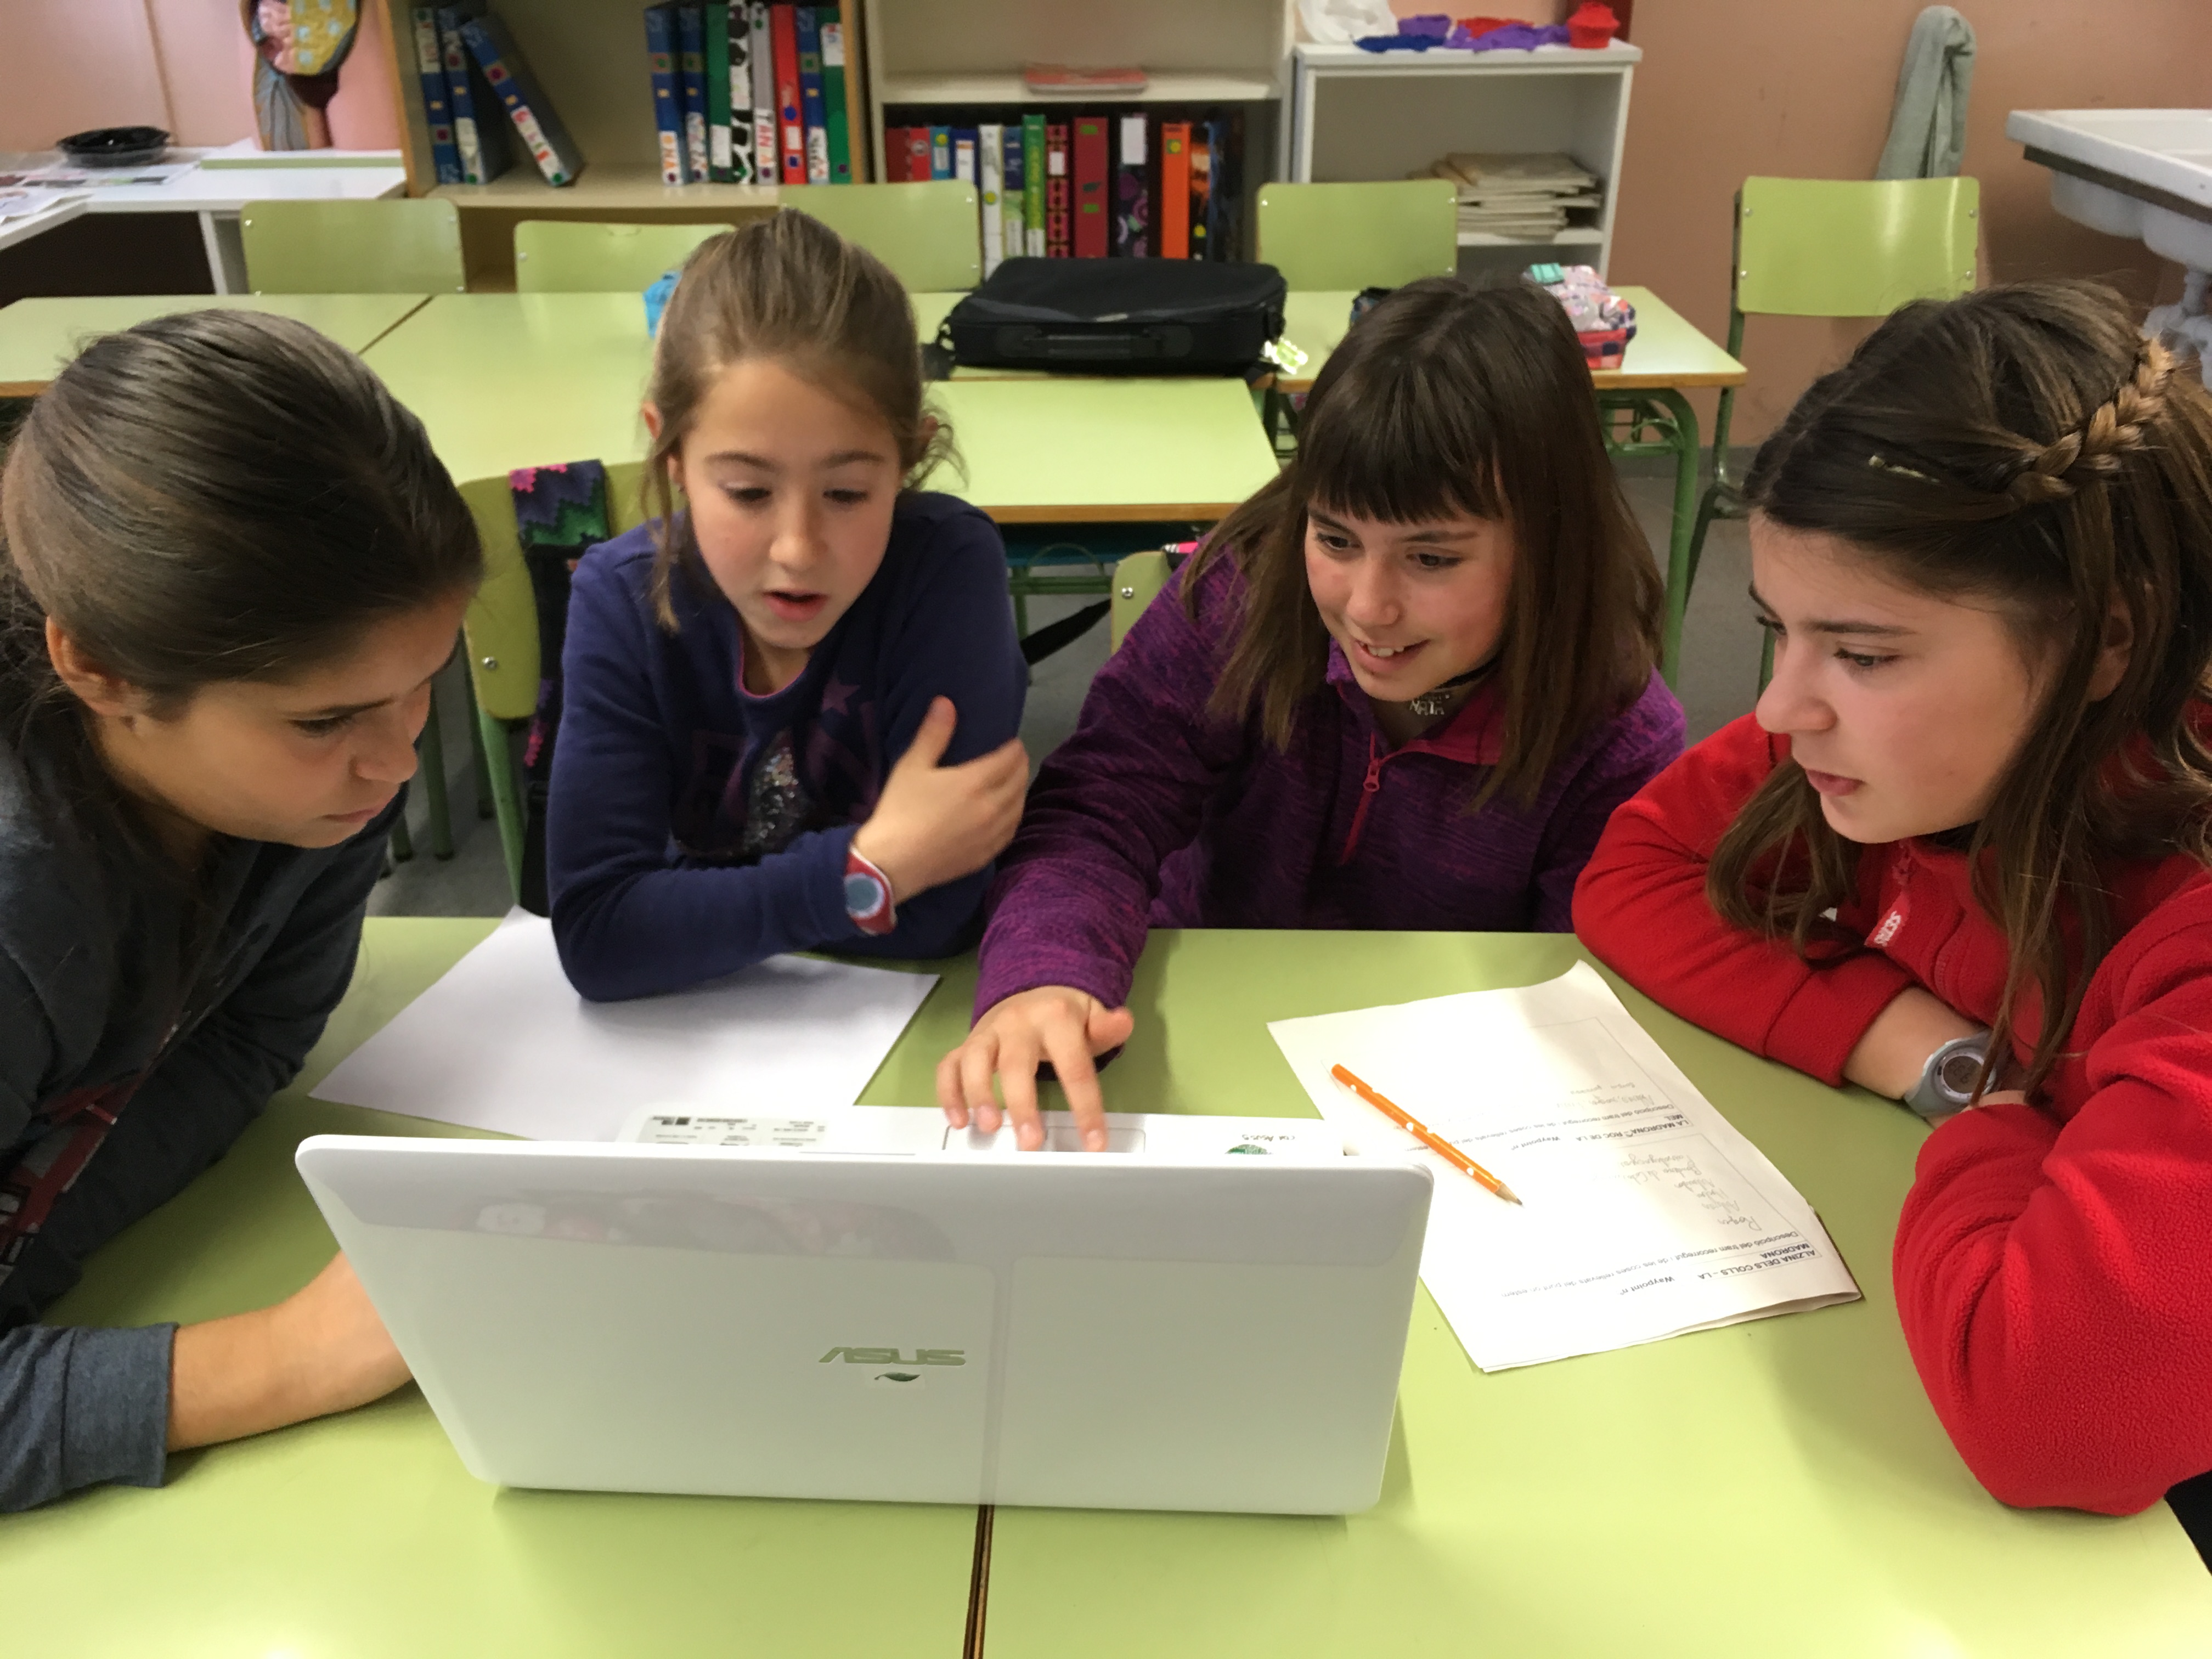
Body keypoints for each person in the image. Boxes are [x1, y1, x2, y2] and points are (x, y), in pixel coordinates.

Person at [1572, 281, 2212, 1551]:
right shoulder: (1911, 758)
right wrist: (1930, 1052)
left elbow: (2057, 1421)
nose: (1779, 708)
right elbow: (1635, 870)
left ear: (2108, 639)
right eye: (1778, 632)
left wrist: (1989, 1123)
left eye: (1863, 655)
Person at [942, 277, 1685, 1149]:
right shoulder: (1242, 597)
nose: (1368, 608)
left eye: (1432, 559)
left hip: (1448, 1087)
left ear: (1548, 547)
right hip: (1200, 1028)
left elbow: (1578, 993)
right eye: (1335, 538)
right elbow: (1101, 805)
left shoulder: (1618, 732)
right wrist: (1047, 971)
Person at [0, 309, 483, 1510]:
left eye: (423, 685)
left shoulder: (313, 798)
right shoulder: (18, 913)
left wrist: (42, 1244)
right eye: (323, 720)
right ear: (98, 668)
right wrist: (284, 1357)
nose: (395, 762)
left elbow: (253, 1034)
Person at [548, 212, 1029, 1002]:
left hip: (898, 1021)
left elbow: (941, 913)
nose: (799, 550)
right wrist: (873, 871)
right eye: (747, 492)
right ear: (672, 455)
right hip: (687, 1039)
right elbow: (601, 935)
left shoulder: (945, 570)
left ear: (910, 458)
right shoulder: (619, 597)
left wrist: (692, 916)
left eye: (848, 493)